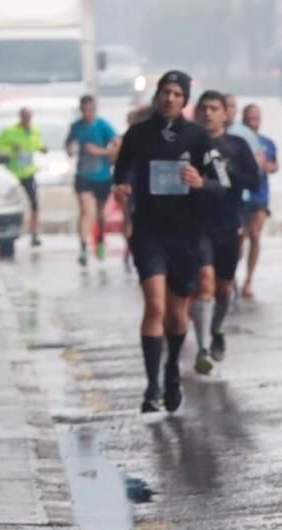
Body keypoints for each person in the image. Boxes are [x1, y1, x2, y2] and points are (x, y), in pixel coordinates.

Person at [112, 71, 225, 413]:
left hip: (185, 236)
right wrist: (122, 189)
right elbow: (121, 174)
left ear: (185, 100)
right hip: (149, 233)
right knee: (155, 306)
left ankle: (172, 368)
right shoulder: (137, 135)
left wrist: (199, 183)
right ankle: (151, 387)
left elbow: (222, 184)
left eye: (177, 94)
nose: (170, 98)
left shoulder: (198, 137)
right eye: (165, 92)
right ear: (157, 96)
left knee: (177, 317)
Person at [190, 90, 260, 375]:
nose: (208, 113)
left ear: (224, 113)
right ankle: (202, 348)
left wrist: (225, 176)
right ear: (197, 112)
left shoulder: (237, 144)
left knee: (223, 289)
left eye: (214, 108)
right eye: (203, 108)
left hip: (229, 224)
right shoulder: (191, 144)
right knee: (204, 283)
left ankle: (216, 328)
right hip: (196, 225)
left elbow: (254, 180)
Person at [65, 95, 119, 266]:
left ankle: (100, 239)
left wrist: (100, 151)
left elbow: (117, 144)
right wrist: (70, 149)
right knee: (86, 211)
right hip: (83, 176)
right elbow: (68, 144)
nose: (87, 113)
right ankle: (82, 248)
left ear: (95, 110)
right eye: (84, 110)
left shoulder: (103, 125)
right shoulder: (76, 127)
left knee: (99, 214)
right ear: (81, 110)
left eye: (90, 110)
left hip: (102, 176)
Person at [0, 107, 47, 247]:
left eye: (29, 117)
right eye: (25, 117)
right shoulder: (10, 132)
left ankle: (34, 233)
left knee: (34, 203)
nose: (27, 120)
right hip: (12, 173)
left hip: (28, 172)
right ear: (20, 117)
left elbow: (35, 145)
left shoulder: (35, 131)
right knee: (10, 203)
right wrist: (10, 150)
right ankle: (7, 229)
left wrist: (41, 148)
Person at [239, 103, 279, 299]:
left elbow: (274, 165)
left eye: (255, 118)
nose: (252, 122)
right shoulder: (236, 141)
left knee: (255, 235)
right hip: (239, 197)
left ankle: (248, 280)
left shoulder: (267, 143)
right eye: (248, 118)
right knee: (237, 239)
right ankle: (230, 277)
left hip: (259, 196)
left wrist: (267, 166)